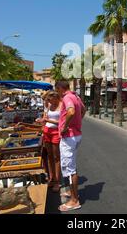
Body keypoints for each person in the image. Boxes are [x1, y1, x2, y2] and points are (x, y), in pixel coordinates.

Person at [56, 80, 86, 212]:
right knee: (71, 166)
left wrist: (65, 127)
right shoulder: (76, 96)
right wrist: (77, 124)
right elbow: (83, 110)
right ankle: (71, 193)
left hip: (69, 136)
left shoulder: (67, 97)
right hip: (76, 134)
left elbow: (72, 111)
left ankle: (74, 200)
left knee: (70, 169)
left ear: (60, 88)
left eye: (57, 90)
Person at [39, 91, 62, 193]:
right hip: (47, 131)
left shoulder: (62, 106)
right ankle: (51, 178)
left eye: (49, 99)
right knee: (49, 156)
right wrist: (42, 121)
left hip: (56, 132)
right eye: (47, 100)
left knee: (56, 157)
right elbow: (46, 117)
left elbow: (62, 122)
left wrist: (48, 121)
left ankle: (57, 181)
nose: (48, 101)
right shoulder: (49, 105)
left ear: (56, 97)